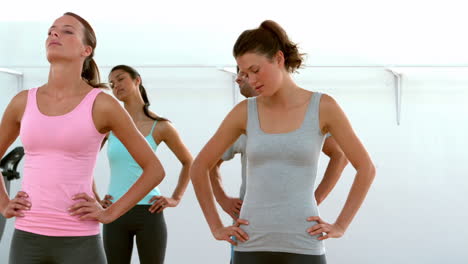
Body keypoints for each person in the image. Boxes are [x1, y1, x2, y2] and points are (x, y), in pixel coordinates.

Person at [191, 20, 375, 264]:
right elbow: (199, 166)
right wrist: (216, 227)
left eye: (256, 70)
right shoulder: (244, 111)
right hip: (250, 243)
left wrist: (341, 225)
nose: (251, 79)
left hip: (304, 244)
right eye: (245, 73)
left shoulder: (323, 107)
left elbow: (365, 168)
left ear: (278, 59)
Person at [0, 12, 165, 264]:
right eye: (51, 30)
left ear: (86, 50)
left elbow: (154, 170)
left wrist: (109, 214)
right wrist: (3, 203)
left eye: (67, 31)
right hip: (27, 238)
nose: (54, 34)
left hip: (79, 242)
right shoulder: (22, 101)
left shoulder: (102, 104)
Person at [210, 69, 349, 263]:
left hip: (298, 236)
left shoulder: (305, 116)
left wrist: (315, 199)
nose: (238, 78)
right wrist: (222, 199)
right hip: (250, 232)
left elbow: (341, 156)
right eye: (238, 71)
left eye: (247, 72)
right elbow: (207, 165)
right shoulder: (241, 119)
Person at [98, 65, 193, 264]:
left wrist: (175, 198)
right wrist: (96, 199)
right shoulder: (108, 127)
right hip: (115, 212)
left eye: (121, 79)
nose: (116, 86)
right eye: (112, 84)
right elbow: (82, 159)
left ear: (137, 80)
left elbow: (188, 162)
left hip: (149, 212)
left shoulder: (161, 126)